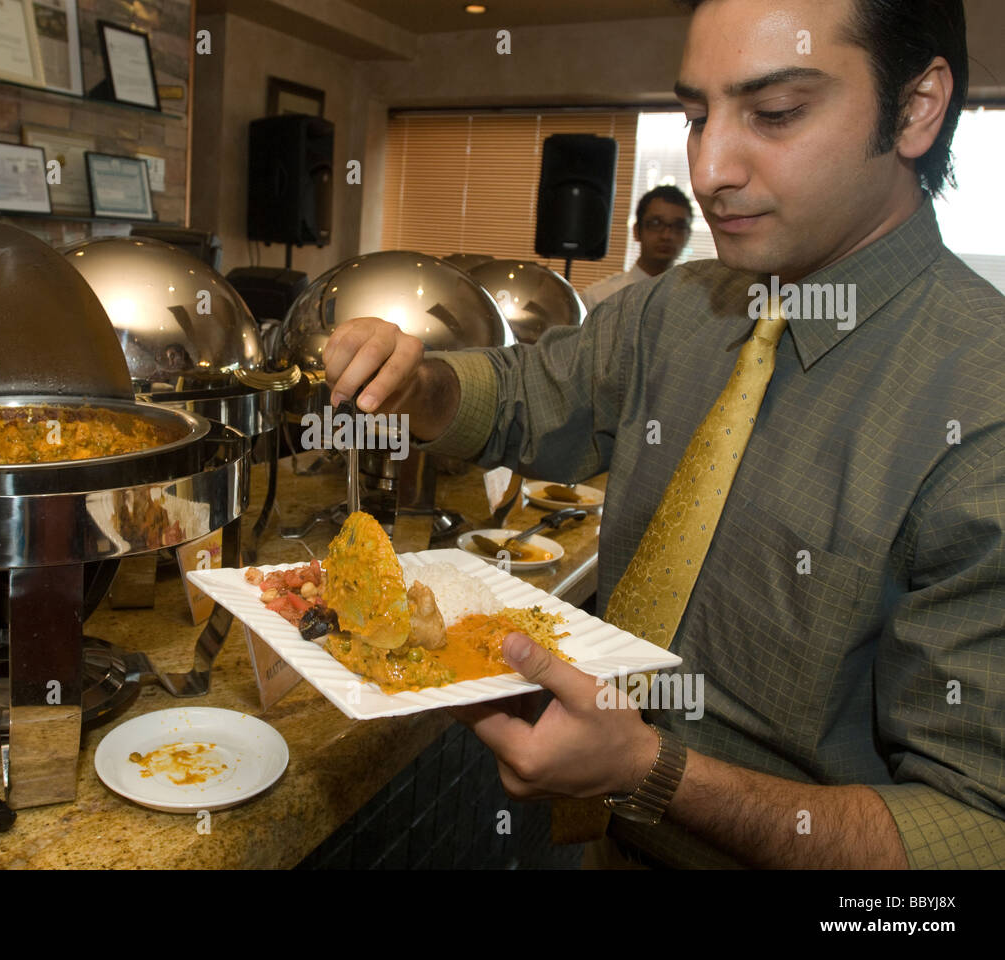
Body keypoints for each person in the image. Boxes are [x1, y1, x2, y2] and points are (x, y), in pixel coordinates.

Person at [323, 0, 1003, 868]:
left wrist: (653, 773)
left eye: (775, 113)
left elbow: (977, 831)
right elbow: (529, 394)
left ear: (915, 109)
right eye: (695, 116)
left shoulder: (982, 411)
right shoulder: (676, 308)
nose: (709, 169)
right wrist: (421, 384)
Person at [579, 185, 694, 314]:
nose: (666, 235)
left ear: (688, 235)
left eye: (679, 226)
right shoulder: (598, 298)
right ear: (636, 231)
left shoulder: (694, 303)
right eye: (656, 223)